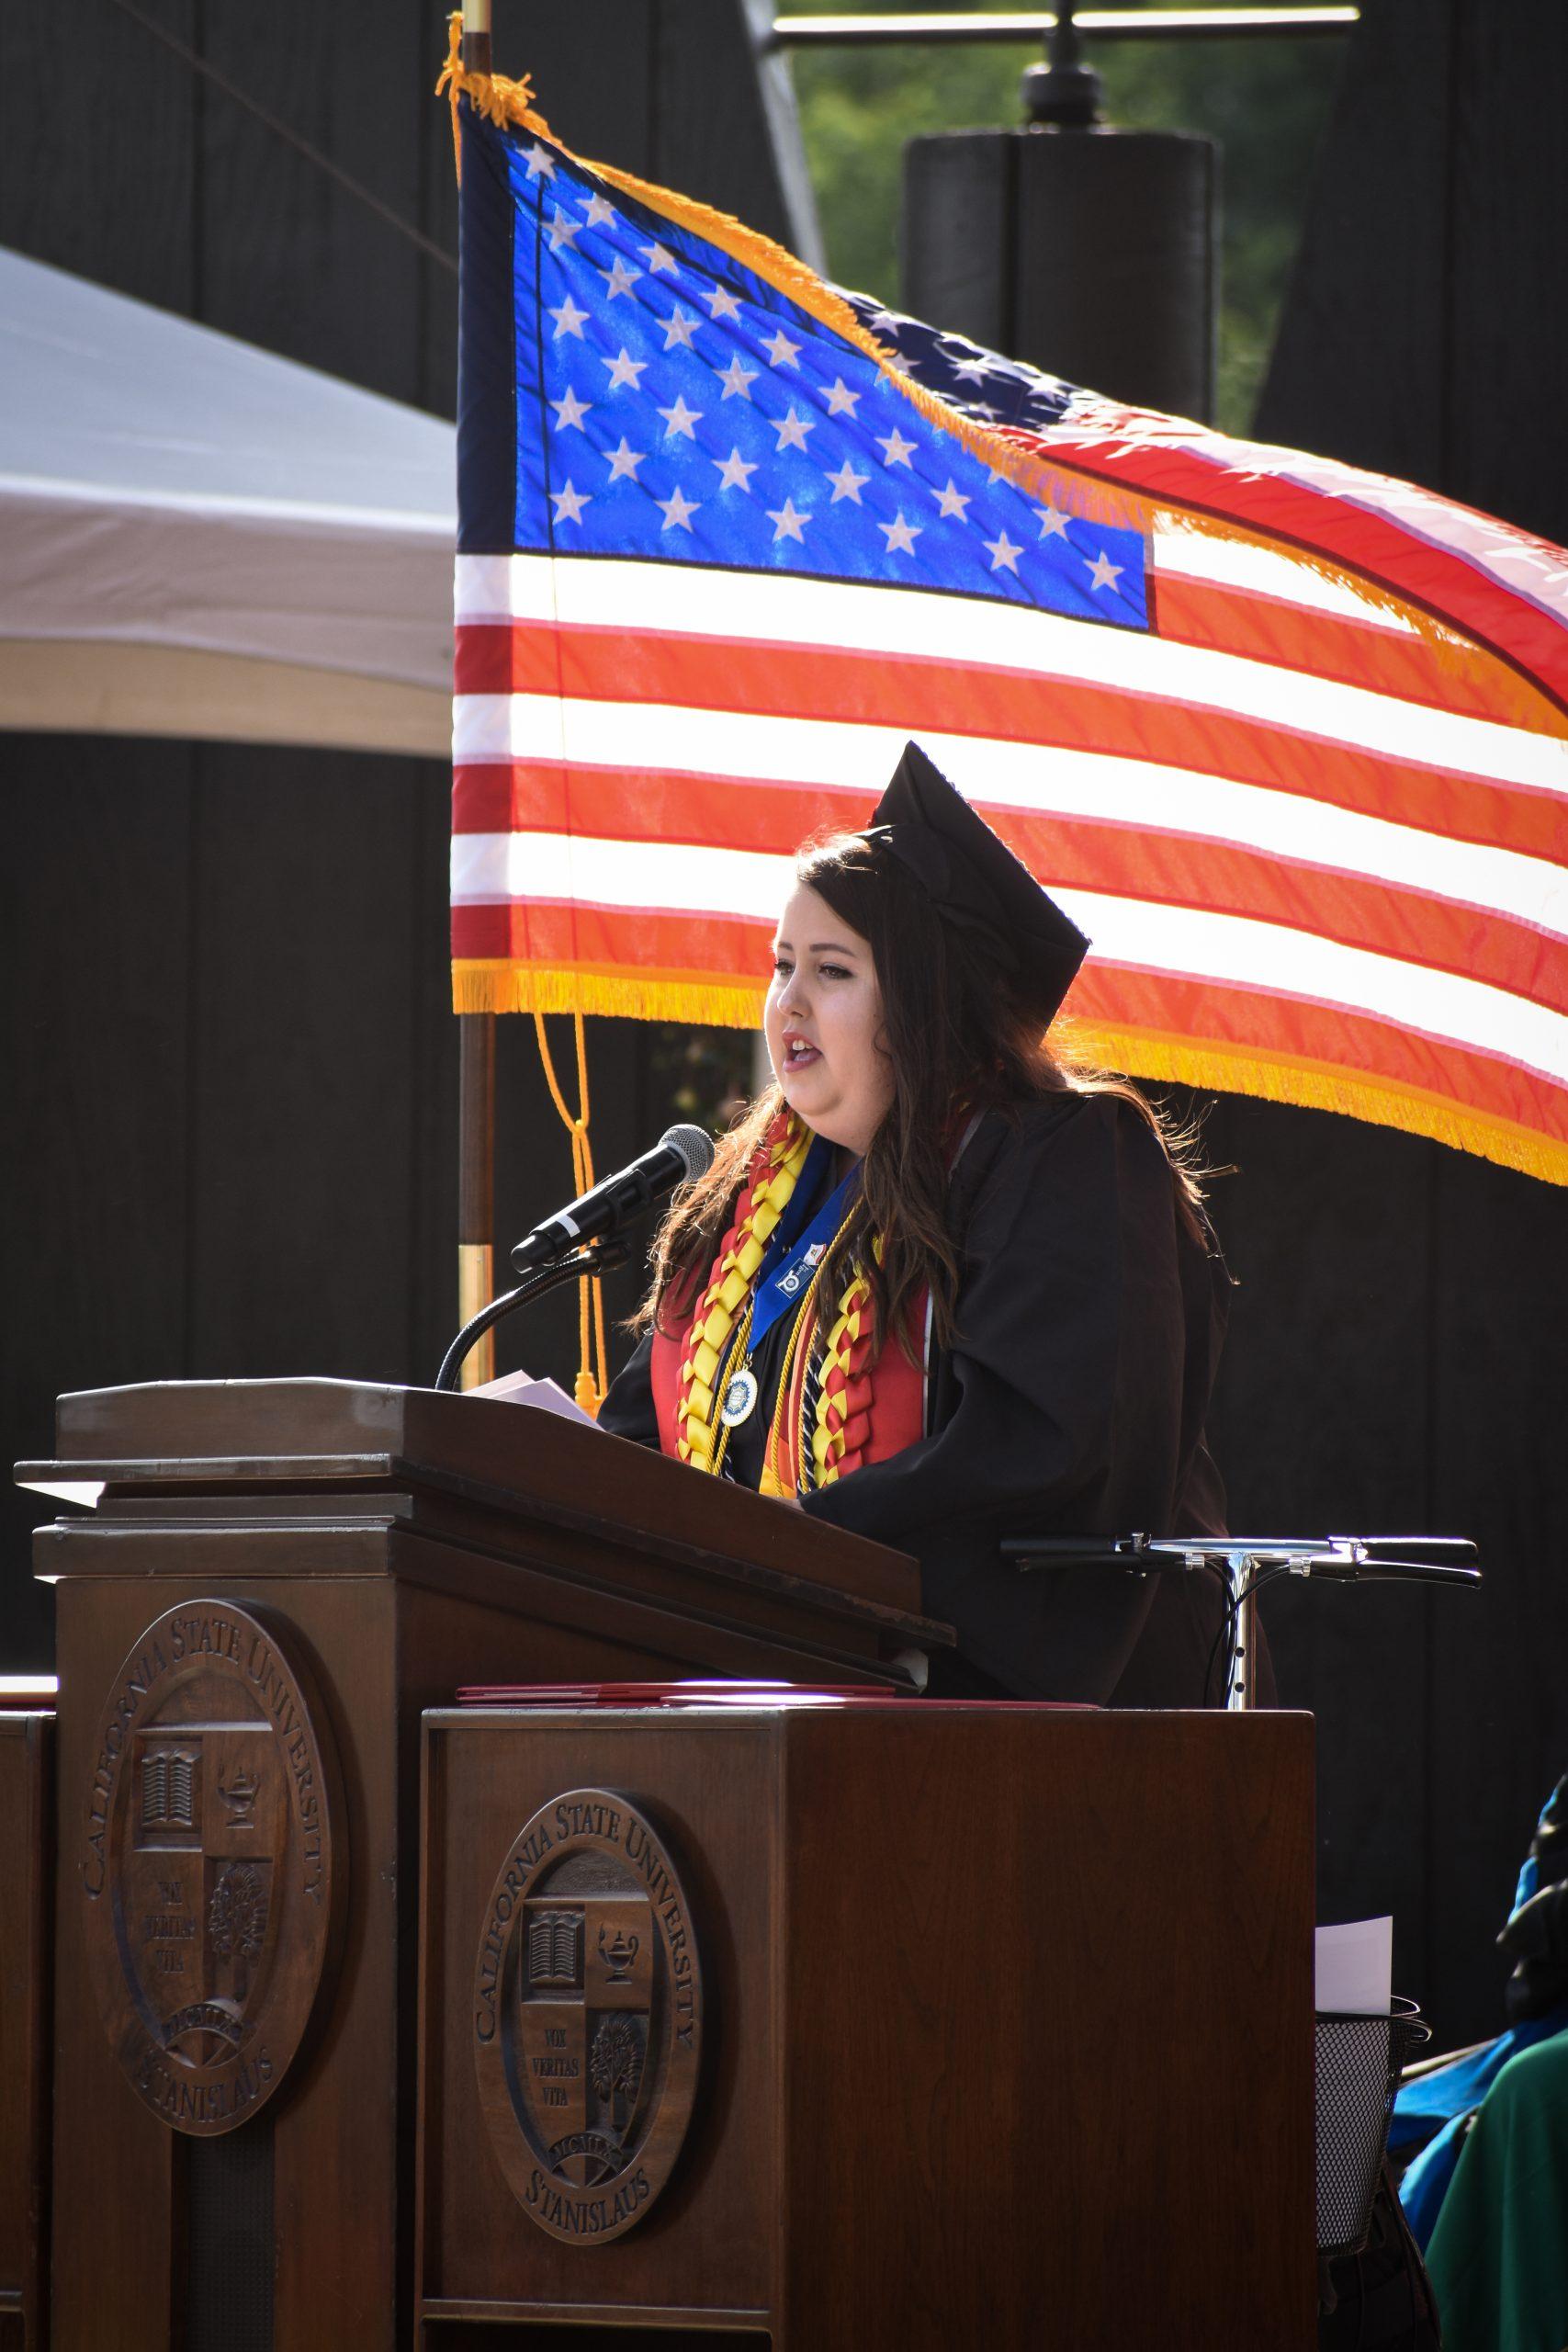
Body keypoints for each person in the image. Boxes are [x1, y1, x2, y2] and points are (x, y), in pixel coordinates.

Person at [599, 741, 1235, 1706]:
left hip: (1001, 1745)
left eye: (833, 969)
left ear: (926, 1001)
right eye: (780, 966)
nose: (789, 1002)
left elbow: (1037, 1458)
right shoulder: (751, 1192)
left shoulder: (1063, 1161)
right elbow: (650, 1450)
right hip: (752, 1706)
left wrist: (772, 1550)